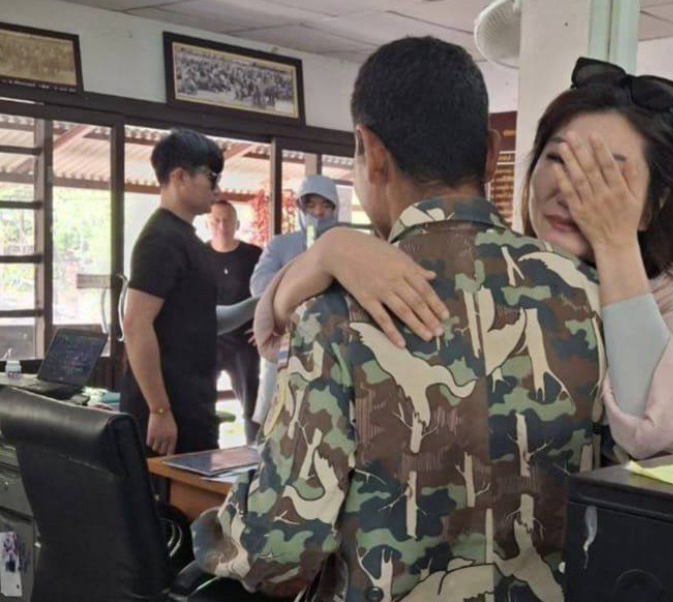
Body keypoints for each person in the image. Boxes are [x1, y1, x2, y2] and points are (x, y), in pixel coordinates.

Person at [192, 36, 604, 602]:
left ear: (371, 151)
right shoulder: (586, 292)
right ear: (491, 154)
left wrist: (210, 535)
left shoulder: (336, 314)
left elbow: (279, 553)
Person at [257, 57, 673, 462]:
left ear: (653, 204)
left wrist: (616, 243)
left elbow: (652, 429)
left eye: (604, 176)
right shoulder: (497, 268)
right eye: (559, 160)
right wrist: (330, 252)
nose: (569, 189)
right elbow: (269, 327)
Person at [121, 129, 223, 456]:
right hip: (169, 412)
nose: (217, 189)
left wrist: (263, 303)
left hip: (192, 403)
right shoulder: (161, 239)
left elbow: (201, 318)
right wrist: (159, 409)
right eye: (211, 177)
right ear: (180, 176)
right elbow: (136, 325)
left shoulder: (187, 239)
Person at [248, 174, 339, 428]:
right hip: (285, 340)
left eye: (326, 205)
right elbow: (259, 285)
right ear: (300, 207)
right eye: (311, 205)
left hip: (330, 341)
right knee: (277, 419)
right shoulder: (280, 245)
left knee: (325, 418)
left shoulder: (343, 244)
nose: (318, 212)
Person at [206, 200, 262, 444]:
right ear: (208, 225)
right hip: (209, 341)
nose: (222, 226)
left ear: (237, 224)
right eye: (216, 220)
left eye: (227, 220)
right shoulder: (198, 256)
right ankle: (206, 453)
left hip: (244, 342)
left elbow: (268, 294)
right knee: (203, 404)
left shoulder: (254, 256)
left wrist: (263, 327)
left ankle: (255, 454)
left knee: (252, 405)